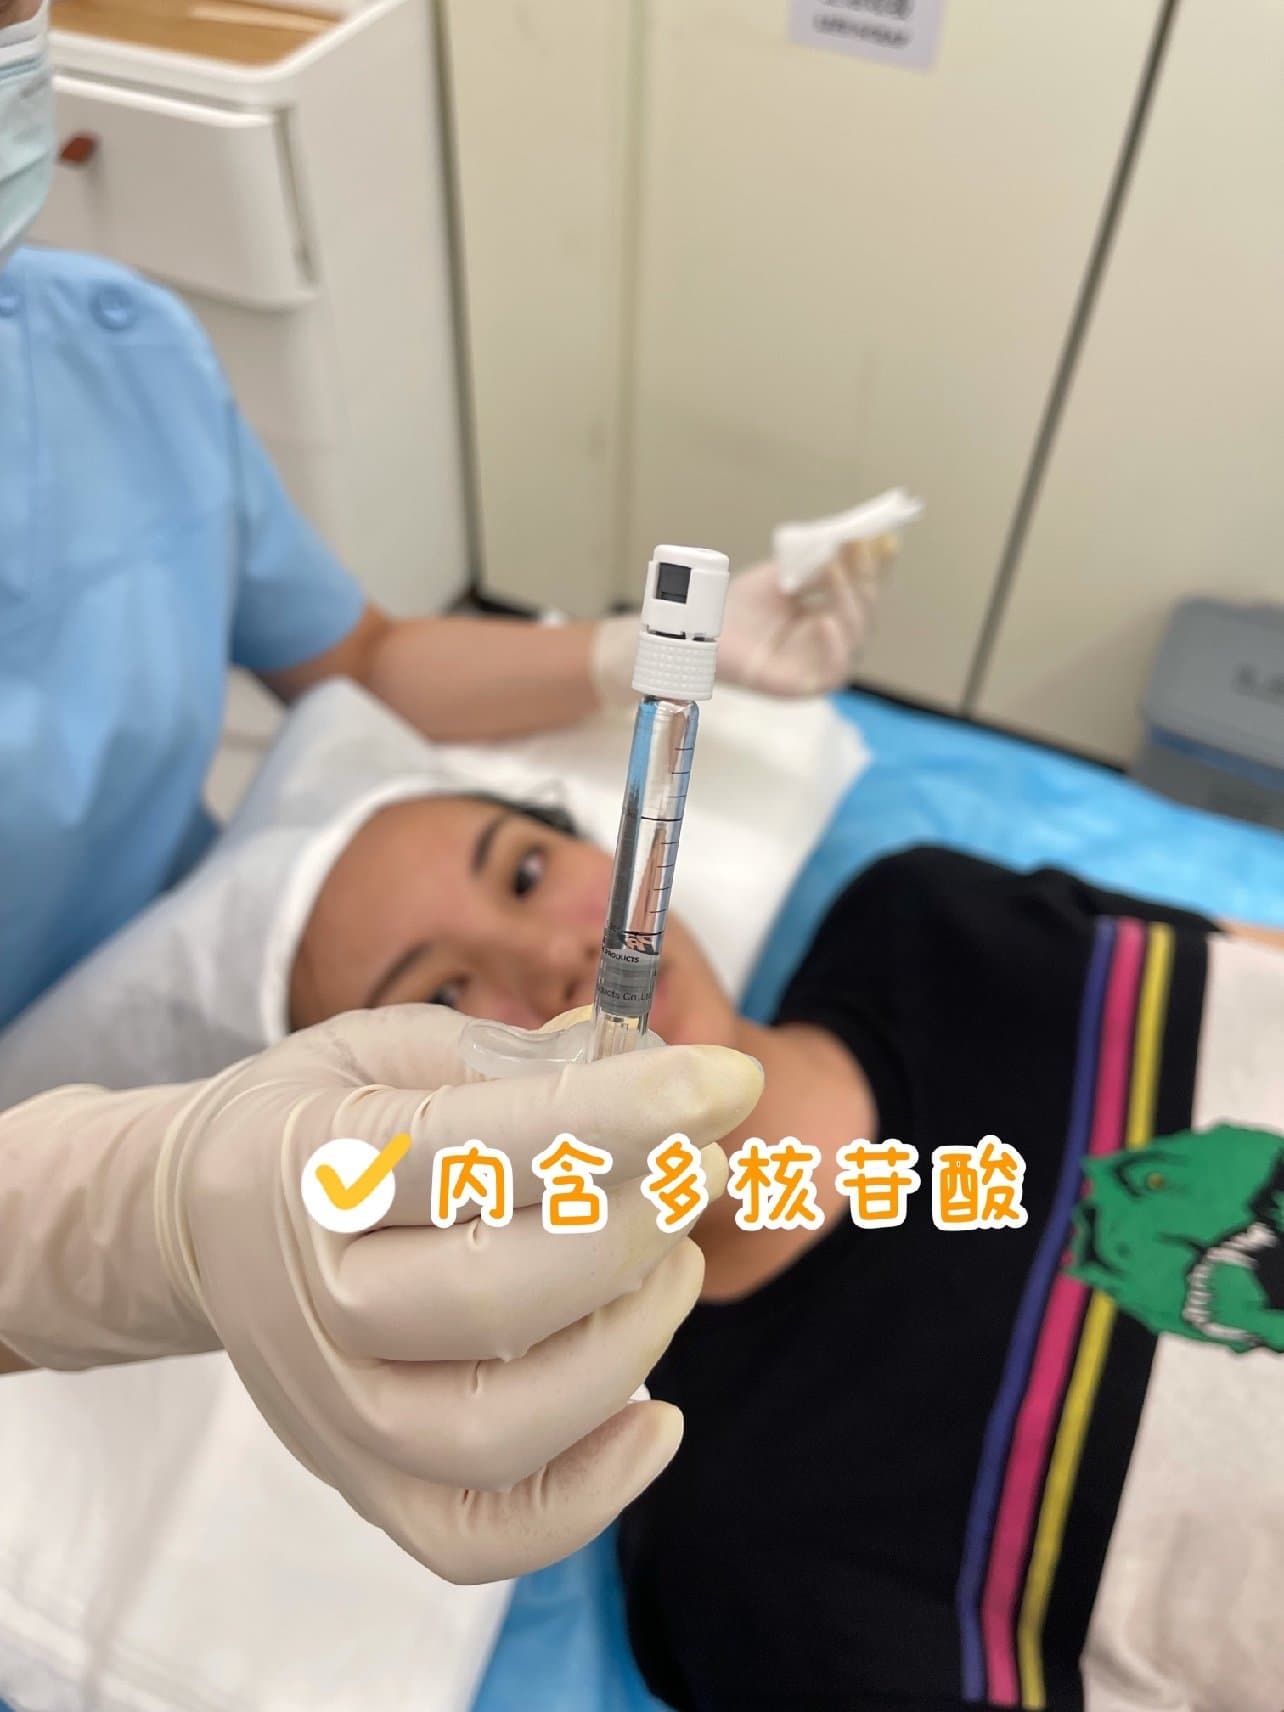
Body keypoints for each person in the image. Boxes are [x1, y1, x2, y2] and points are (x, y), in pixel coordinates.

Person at [0, 0, 775, 1585]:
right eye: (445, 988)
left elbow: (354, 658)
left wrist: (619, 654)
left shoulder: (111, 347)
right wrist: (92, 1234)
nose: (567, 965)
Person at [279, 789, 1284, 1707]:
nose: (555, 955)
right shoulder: (731, 1543)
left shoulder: (924, 920)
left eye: (527, 870)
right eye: (446, 998)